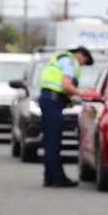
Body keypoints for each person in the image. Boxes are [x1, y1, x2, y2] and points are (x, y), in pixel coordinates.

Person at [39, 46, 93, 188]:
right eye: (83, 61)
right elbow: (66, 85)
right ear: (79, 54)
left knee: (50, 140)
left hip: (49, 99)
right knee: (54, 141)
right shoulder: (69, 61)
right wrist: (82, 93)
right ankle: (58, 178)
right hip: (52, 101)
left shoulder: (61, 58)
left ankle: (49, 177)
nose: (82, 65)